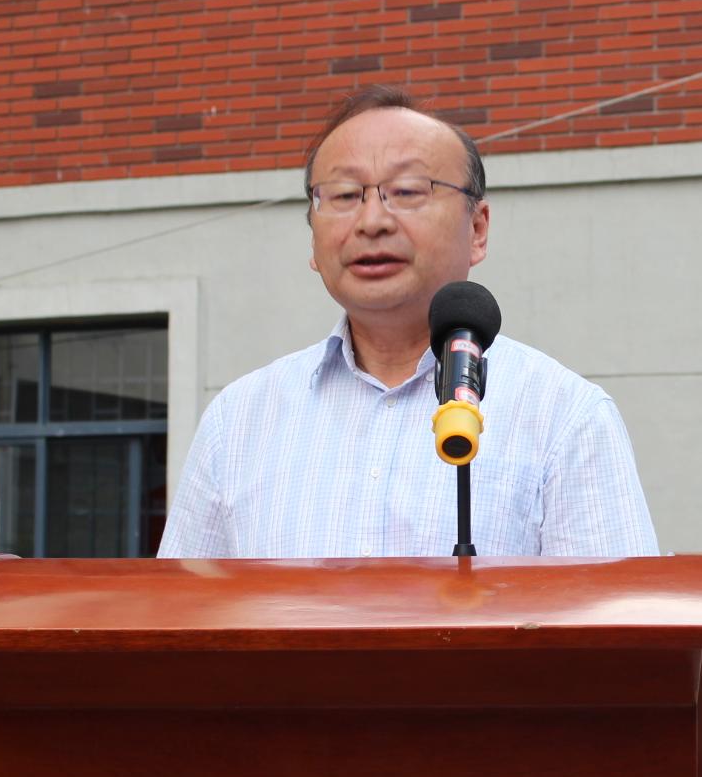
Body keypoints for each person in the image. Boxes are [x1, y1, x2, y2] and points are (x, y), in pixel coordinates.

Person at [157, 85, 658, 558]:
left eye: (408, 190)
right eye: (344, 195)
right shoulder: (239, 420)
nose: (372, 221)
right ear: (312, 237)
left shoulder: (563, 415)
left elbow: (613, 616)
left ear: (477, 228)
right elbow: (182, 612)